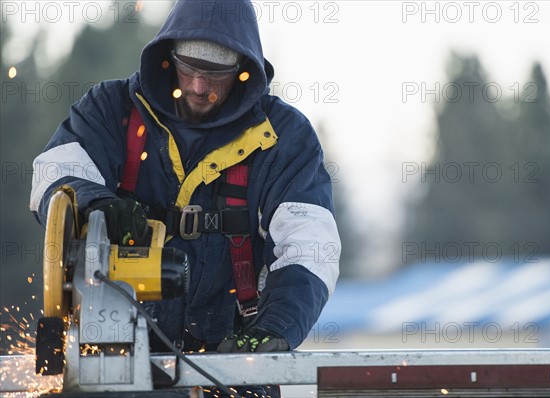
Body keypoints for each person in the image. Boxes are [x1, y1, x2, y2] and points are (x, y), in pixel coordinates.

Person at [29, 0, 340, 396]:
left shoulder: (285, 139)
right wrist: (95, 203)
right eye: (189, 67)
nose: (197, 86)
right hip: (115, 356)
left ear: (244, 69)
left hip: (235, 362)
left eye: (215, 73)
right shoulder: (111, 109)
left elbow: (310, 248)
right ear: (167, 56)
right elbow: (54, 174)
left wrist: (274, 329)